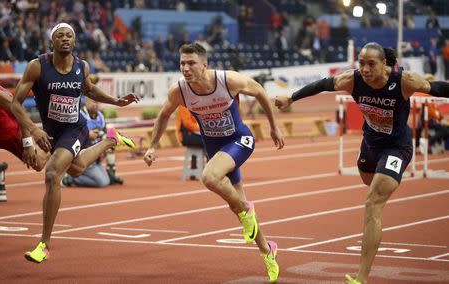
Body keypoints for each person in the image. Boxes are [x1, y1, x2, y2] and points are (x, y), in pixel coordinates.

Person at [275, 42, 449, 284]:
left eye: (371, 64)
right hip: (370, 146)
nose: (365, 69)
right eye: (362, 63)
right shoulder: (353, 80)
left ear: (384, 64)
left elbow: (437, 88)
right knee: (371, 192)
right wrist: (291, 98)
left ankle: (361, 277)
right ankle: (380, 201)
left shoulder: (404, 80)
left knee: (372, 204)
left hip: (397, 148)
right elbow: (324, 84)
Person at [143, 43, 284, 283]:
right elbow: (163, 115)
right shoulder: (180, 90)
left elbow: (259, 91)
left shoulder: (227, 80)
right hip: (216, 148)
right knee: (236, 207)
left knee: (209, 177)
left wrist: (273, 126)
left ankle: (247, 209)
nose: (185, 69)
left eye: (191, 63)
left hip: (240, 139)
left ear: (204, 65)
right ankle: (267, 249)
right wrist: (153, 146)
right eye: (182, 64)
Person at [10, 23, 139, 263]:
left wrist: (116, 101)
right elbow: (15, 103)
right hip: (50, 131)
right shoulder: (37, 67)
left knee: (52, 174)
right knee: (78, 168)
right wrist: (33, 129)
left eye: (69, 35)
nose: (65, 39)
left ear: (75, 41)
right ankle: (111, 140)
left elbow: (89, 90)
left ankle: (44, 244)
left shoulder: (82, 66)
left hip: (75, 129)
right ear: (52, 41)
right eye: (60, 35)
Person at [0, 84, 51, 202]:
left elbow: (18, 108)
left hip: (8, 131)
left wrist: (28, 144)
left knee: (38, 163)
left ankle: (57, 144)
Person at [62, 97, 123, 188]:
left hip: (95, 159)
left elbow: (105, 136)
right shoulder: (79, 115)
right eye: (94, 101)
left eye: (99, 102)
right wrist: (86, 134)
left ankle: (111, 171)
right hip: (81, 157)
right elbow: (69, 135)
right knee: (102, 182)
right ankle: (70, 177)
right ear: (86, 101)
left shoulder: (101, 116)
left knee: (111, 143)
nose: (96, 104)